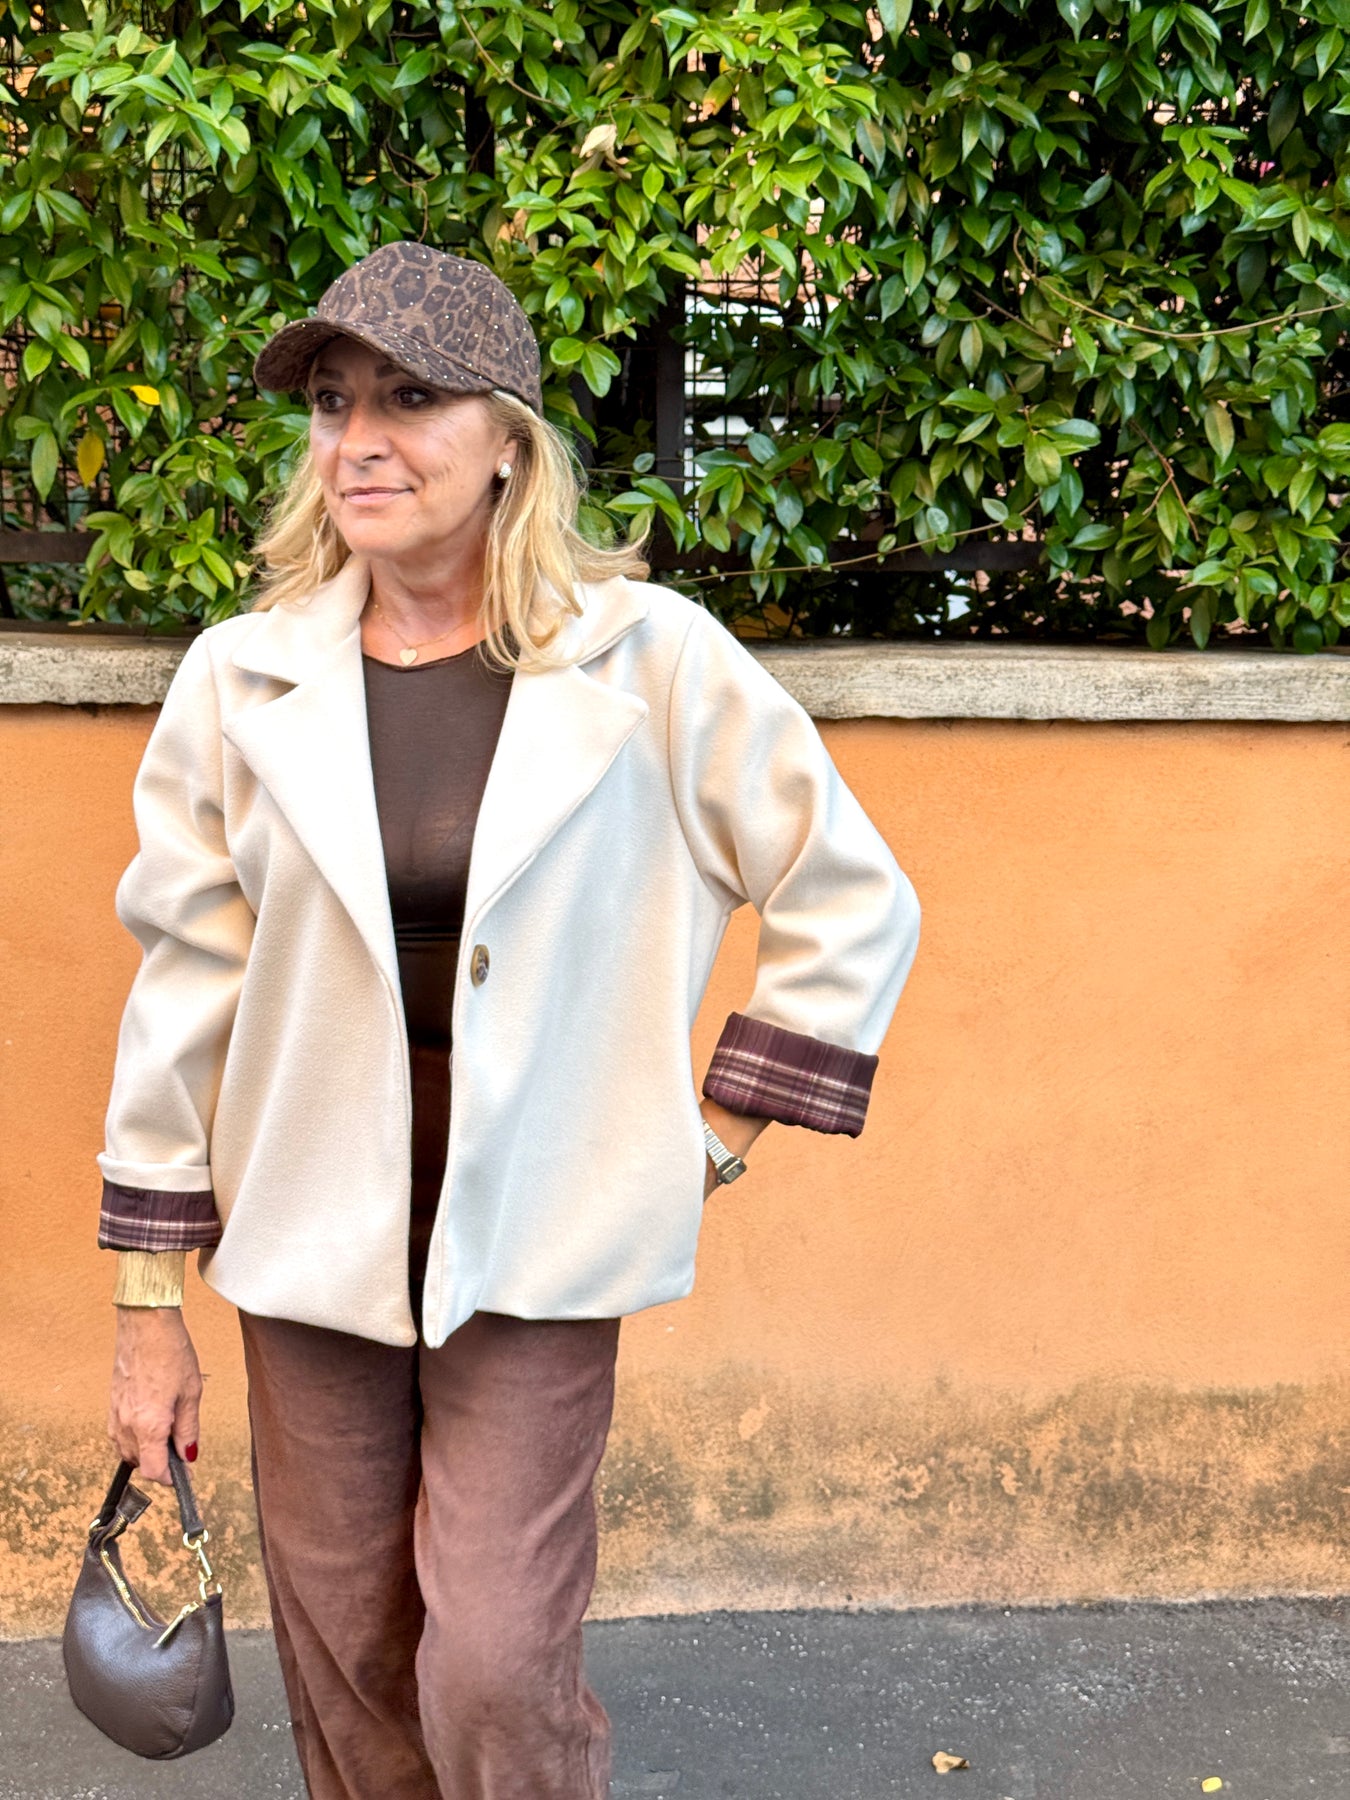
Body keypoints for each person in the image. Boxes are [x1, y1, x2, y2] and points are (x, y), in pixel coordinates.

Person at [99, 240, 921, 1800]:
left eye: (410, 399)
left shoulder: (651, 661)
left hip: (542, 1230)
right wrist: (148, 1302)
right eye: (333, 403)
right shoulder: (237, 680)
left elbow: (848, 892)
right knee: (348, 1653)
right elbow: (182, 982)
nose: (360, 440)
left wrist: (708, 1139)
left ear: (509, 445)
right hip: (304, 1230)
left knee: (488, 1659)